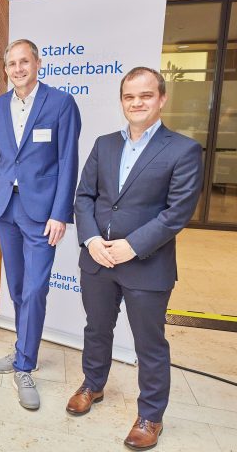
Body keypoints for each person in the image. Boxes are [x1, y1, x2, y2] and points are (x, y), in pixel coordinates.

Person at [70, 67, 202, 450]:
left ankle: (151, 415)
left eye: (145, 96)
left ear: (161, 99)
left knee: (149, 343)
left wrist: (131, 245)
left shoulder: (182, 149)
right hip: (98, 260)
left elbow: (176, 213)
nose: (137, 103)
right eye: (130, 97)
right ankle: (92, 385)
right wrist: (91, 239)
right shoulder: (104, 144)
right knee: (96, 329)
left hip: (146, 263)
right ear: (122, 101)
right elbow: (84, 197)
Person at [0, 39, 81, 409]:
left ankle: (25, 364)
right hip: (6, 209)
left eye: (25, 61)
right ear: (4, 69)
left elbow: (69, 161)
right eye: (11, 63)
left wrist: (60, 213)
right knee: (19, 286)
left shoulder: (60, 104)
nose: (18, 69)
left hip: (42, 213)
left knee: (35, 289)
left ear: (38, 63)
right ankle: (23, 348)